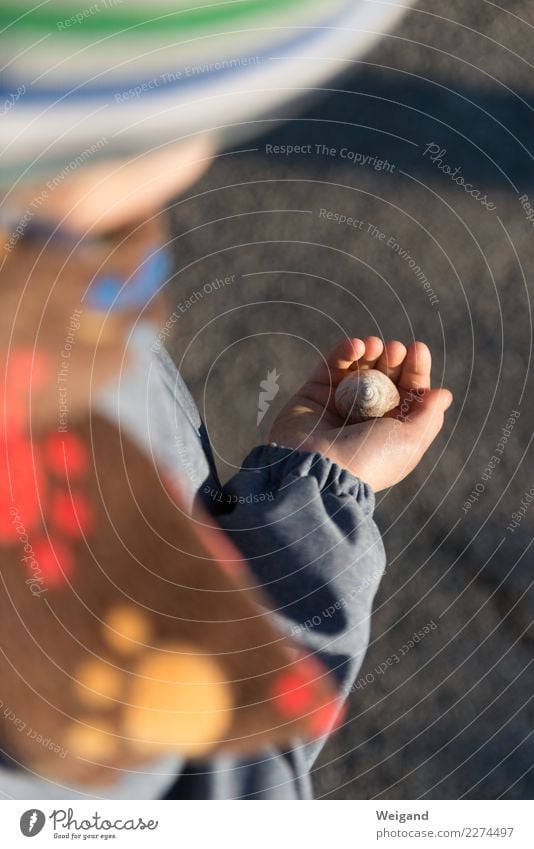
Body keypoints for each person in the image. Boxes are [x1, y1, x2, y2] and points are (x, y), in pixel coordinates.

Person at [0, 0, 450, 800]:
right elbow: (228, 784)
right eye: (182, 119)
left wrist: (312, 484)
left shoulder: (52, 293)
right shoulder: (49, 595)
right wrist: (318, 515)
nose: (200, 153)